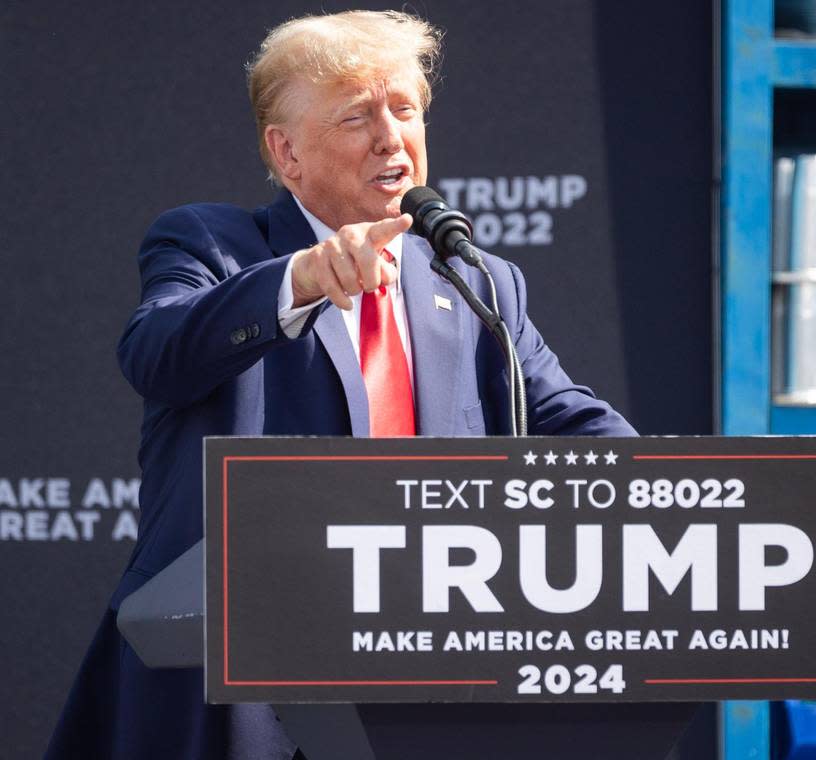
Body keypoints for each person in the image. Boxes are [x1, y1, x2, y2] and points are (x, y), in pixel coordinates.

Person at [47, 10, 633, 759]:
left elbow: (567, 419)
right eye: (357, 117)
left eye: (406, 110)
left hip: (426, 673)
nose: (392, 138)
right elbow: (156, 351)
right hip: (243, 682)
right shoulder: (212, 245)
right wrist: (303, 278)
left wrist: (696, 496)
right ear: (286, 153)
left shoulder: (478, 281)